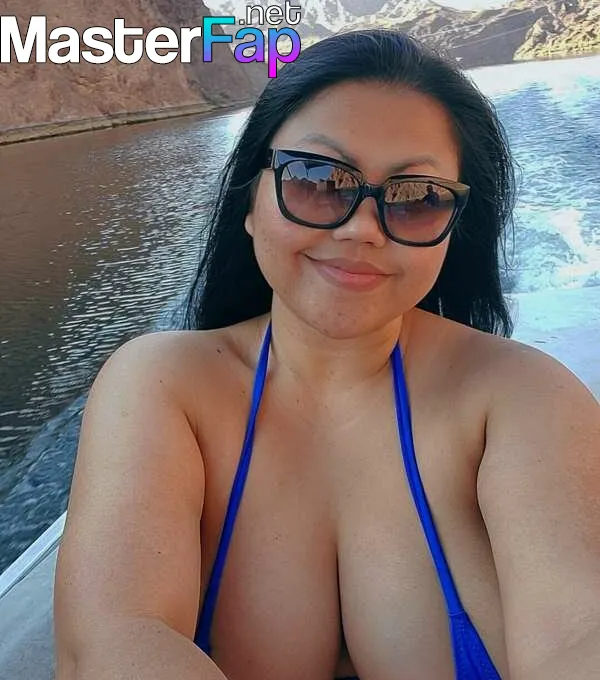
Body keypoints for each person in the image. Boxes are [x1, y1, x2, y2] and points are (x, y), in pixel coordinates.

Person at [53, 29, 600, 680]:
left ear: (453, 231)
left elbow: (579, 629)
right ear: (250, 200)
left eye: (418, 197)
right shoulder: (164, 386)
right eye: (317, 179)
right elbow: (118, 636)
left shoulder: (520, 398)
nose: (361, 228)